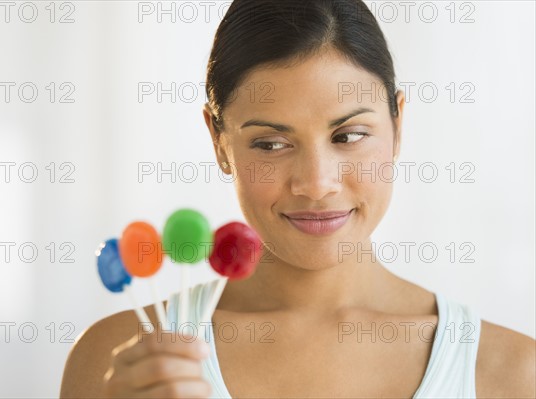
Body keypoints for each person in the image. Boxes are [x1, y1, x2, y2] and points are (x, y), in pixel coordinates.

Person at [60, 0, 535, 397]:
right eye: (270, 144)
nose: (316, 183)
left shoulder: (510, 372)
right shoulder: (121, 357)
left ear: (398, 127)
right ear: (218, 141)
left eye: (349, 136)